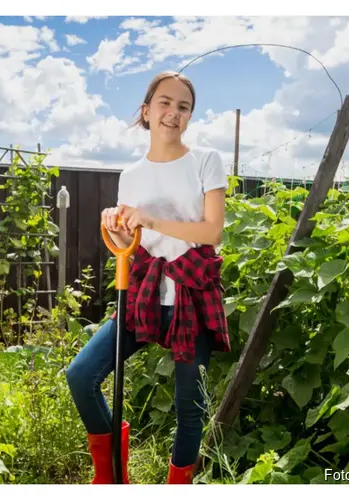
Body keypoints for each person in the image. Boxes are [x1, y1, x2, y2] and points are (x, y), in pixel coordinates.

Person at [65, 70, 231, 485]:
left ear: (189, 116)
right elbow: (132, 242)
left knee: (189, 406)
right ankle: (111, 479)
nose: (173, 113)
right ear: (146, 110)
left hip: (192, 293)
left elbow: (212, 232)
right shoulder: (131, 175)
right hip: (144, 293)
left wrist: (152, 218)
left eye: (183, 106)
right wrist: (115, 226)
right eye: (165, 103)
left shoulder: (206, 161)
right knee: (81, 375)